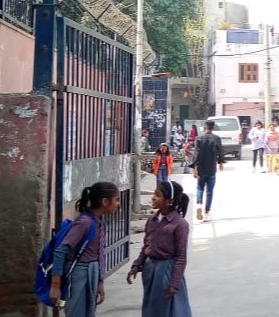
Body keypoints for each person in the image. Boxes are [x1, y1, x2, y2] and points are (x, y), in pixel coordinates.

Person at [49, 181, 121, 315]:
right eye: (117, 200)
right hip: (79, 274)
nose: (118, 204)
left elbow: (99, 254)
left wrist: (100, 282)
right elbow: (60, 251)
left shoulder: (99, 221)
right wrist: (55, 286)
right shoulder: (84, 222)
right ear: (105, 201)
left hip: (91, 273)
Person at [127, 181, 192, 316]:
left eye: (158, 195)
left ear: (169, 201)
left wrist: (175, 283)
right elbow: (146, 245)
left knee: (171, 310)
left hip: (167, 271)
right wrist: (137, 264)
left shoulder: (180, 224)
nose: (153, 197)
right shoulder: (152, 220)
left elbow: (181, 257)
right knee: (152, 308)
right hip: (150, 269)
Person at [191, 120, 224, 221]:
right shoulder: (217, 138)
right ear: (213, 127)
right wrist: (221, 162)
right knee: (209, 191)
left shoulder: (199, 138)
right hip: (211, 168)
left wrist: (194, 168)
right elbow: (220, 151)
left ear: (205, 127)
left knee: (200, 188)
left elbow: (196, 154)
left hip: (201, 168)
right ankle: (206, 213)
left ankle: (199, 204)